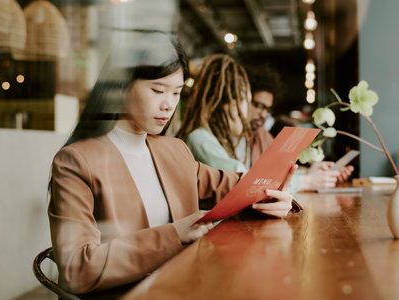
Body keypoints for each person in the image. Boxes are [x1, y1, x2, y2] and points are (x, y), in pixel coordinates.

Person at [48, 32, 295, 295]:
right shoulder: (76, 162)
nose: (169, 104)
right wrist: (174, 234)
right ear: (120, 86)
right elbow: (77, 270)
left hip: (187, 286)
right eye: (157, 90)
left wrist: (274, 196)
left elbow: (236, 187)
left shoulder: (174, 150)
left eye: (177, 92)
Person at [246, 66, 354, 191]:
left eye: (267, 109)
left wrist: (310, 174)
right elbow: (250, 182)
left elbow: (273, 175)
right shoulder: (228, 137)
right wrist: (307, 181)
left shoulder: (262, 136)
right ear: (242, 100)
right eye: (258, 106)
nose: (263, 114)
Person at [176, 54, 253, 173]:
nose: (250, 113)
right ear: (234, 105)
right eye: (248, 102)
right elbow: (240, 180)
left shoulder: (208, 139)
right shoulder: (200, 139)